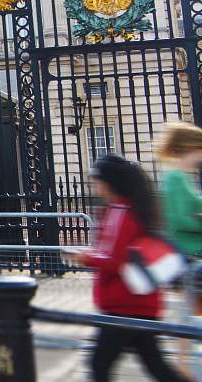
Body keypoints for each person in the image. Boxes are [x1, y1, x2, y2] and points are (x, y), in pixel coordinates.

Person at [66, 154, 189, 382]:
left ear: (108, 181)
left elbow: (114, 259)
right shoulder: (124, 208)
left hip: (124, 303)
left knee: (99, 364)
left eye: (96, 180)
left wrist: (85, 258)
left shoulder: (121, 212)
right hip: (136, 301)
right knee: (156, 367)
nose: (93, 185)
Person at [157, 121, 202, 375]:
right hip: (188, 256)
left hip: (193, 256)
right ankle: (183, 367)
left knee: (188, 314)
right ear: (190, 148)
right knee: (187, 313)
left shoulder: (183, 177)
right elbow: (179, 220)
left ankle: (184, 366)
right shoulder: (175, 177)